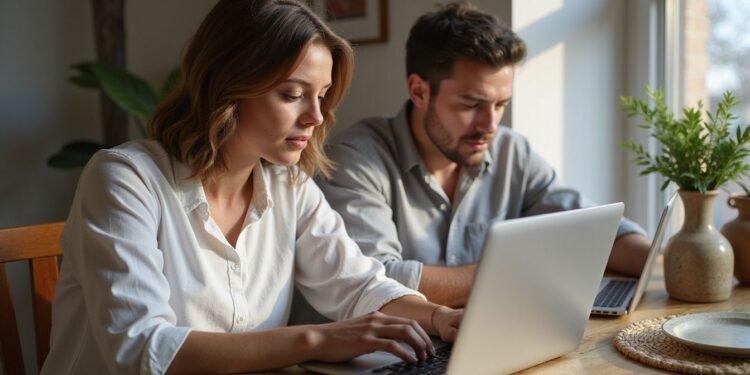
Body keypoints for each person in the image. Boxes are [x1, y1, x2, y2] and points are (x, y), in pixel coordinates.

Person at [41, 1, 462, 374]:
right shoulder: (125, 179)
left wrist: (440, 317)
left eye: (323, 95)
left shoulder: (289, 185)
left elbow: (356, 284)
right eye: (292, 94)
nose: (316, 116)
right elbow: (142, 350)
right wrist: (318, 340)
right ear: (227, 86)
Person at [312, 2, 652, 309]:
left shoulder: (510, 151)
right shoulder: (356, 160)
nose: (489, 124)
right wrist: (523, 273)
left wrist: (661, 263)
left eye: (501, 104)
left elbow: (595, 228)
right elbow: (378, 281)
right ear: (419, 91)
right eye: (471, 105)